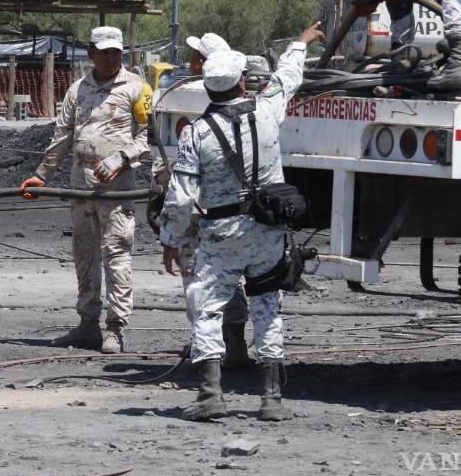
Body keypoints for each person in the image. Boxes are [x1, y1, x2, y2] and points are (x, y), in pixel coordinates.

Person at [159, 21, 323, 422]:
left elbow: (181, 197)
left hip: (221, 236)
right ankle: (271, 400)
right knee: (267, 306)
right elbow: (287, 77)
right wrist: (300, 42)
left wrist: (169, 239)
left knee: (207, 306)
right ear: (240, 84)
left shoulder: (195, 134)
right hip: (267, 231)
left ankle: (211, 394)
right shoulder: (267, 110)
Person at [19, 26, 153, 354]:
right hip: (81, 190)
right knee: (84, 256)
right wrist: (42, 175)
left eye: (116, 53)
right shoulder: (77, 90)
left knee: (116, 255)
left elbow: (150, 137)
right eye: (104, 52)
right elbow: (63, 135)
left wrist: (122, 158)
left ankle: (115, 328)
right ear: (91, 53)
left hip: (116, 192)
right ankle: (88, 324)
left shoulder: (137, 88)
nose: (110, 58)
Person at [150, 31, 251, 370]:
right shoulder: (250, 113)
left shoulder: (192, 109)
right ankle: (233, 347)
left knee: (199, 283)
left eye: (198, 57)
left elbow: (181, 187)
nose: (191, 62)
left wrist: (170, 236)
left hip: (198, 215)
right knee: (229, 280)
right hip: (234, 216)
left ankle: (210, 358)